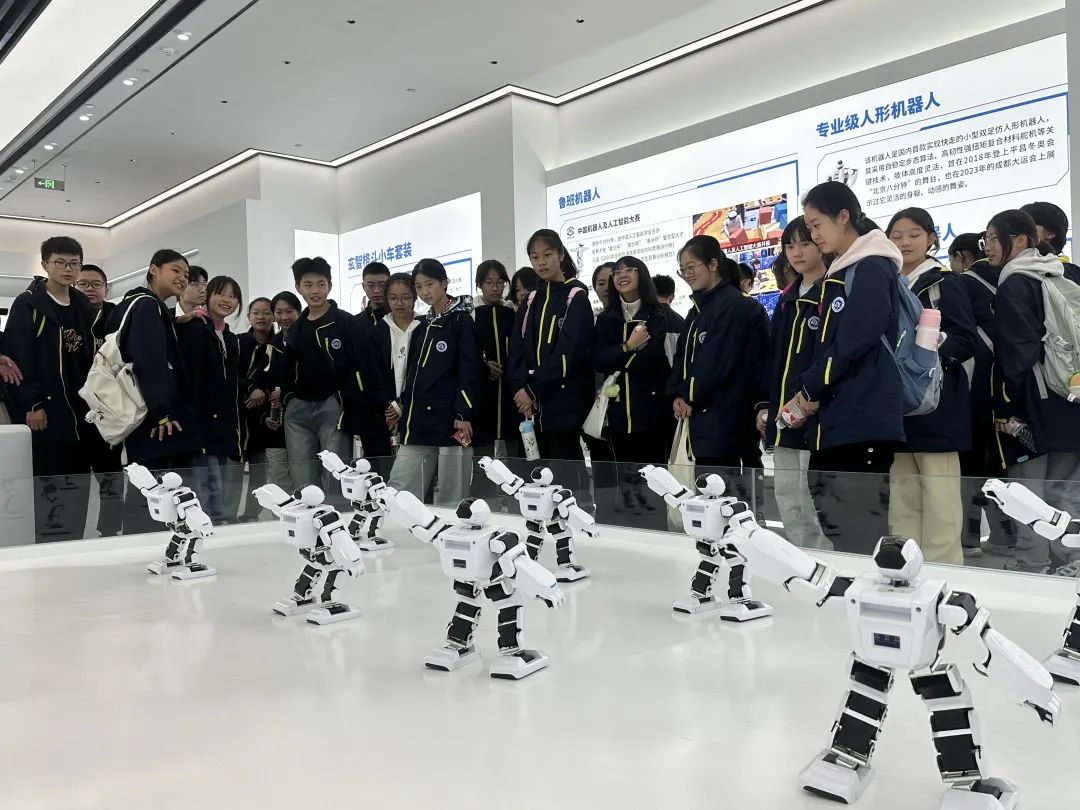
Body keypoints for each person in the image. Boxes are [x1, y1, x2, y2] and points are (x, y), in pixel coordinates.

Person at [787, 182, 905, 553]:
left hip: (862, 417)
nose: (813, 235)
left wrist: (811, 386)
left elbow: (857, 339)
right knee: (839, 523)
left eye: (816, 225)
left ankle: (871, 586)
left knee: (860, 529)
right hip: (837, 418)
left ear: (843, 217)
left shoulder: (871, 265)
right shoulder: (843, 268)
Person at [987, 209, 1080, 575]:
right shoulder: (1063, 273)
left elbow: (1018, 353)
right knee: (1066, 486)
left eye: (993, 237)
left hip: (1035, 401)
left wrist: (1007, 405)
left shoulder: (1015, 282)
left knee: (1028, 492)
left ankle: (1032, 563)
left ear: (1020, 240)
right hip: (1071, 394)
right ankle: (1073, 561)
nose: (988, 246)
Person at [885, 208, 976, 566]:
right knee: (903, 502)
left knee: (941, 505)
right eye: (896, 236)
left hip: (938, 407)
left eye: (914, 234)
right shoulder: (888, 284)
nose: (904, 242)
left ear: (931, 239)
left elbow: (966, 339)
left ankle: (945, 578)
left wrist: (926, 350)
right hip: (899, 409)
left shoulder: (943, 283)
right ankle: (903, 572)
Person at [5, 236, 96, 542]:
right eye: (60, 262)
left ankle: (74, 540)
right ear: (45, 264)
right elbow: (18, 358)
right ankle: (49, 544)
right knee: (49, 481)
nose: (67, 269)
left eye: (74, 263)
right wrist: (32, 404)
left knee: (78, 479)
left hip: (81, 409)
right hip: (46, 408)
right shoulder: (29, 303)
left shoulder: (81, 303)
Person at [104, 249, 199, 533]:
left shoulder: (136, 304)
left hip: (137, 410)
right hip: (152, 415)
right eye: (175, 270)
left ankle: (141, 540)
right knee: (153, 485)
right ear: (153, 269)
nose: (182, 278)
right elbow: (150, 361)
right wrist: (161, 413)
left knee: (144, 481)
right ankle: (145, 541)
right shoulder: (146, 306)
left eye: (186, 274)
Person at [670, 235, 770, 501]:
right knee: (708, 503)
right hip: (703, 422)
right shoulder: (697, 310)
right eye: (683, 270)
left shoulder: (735, 305)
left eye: (692, 267)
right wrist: (677, 393)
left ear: (713, 264)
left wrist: (689, 394)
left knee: (733, 503)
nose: (687, 275)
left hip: (730, 421)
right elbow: (682, 356)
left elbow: (719, 362)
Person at [280, 257, 388, 493]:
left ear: (329, 285)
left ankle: (337, 515)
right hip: (298, 409)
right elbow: (287, 368)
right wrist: (288, 398)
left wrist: (346, 399)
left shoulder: (346, 322)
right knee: (301, 472)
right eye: (308, 285)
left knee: (337, 473)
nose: (315, 291)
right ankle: (307, 514)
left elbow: (361, 366)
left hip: (334, 406)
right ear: (298, 287)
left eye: (321, 284)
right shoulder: (296, 327)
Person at [387, 259, 481, 505]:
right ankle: (403, 526)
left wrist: (463, 413)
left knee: (453, 492)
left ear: (444, 283)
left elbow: (469, 370)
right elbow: (412, 373)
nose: (424, 292)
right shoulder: (422, 325)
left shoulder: (461, 321)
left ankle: (454, 530)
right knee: (400, 487)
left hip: (453, 420)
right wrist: (403, 407)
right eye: (419, 287)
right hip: (418, 420)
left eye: (429, 284)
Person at [509, 230, 595, 499]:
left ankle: (576, 518)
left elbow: (568, 353)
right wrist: (521, 390)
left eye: (547, 255)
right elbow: (516, 348)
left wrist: (533, 390)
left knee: (565, 475)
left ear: (560, 255)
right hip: (531, 408)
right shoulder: (531, 300)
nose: (541, 262)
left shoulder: (576, 297)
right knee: (534, 478)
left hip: (563, 404)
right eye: (535, 257)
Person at [764, 218, 830, 549]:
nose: (797, 252)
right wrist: (766, 405)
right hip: (784, 417)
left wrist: (812, 396)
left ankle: (825, 564)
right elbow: (774, 359)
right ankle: (799, 561)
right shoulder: (786, 299)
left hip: (817, 416)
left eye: (805, 244)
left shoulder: (833, 290)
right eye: (790, 246)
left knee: (815, 499)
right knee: (788, 496)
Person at [594, 255, 674, 520]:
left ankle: (656, 533)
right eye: (617, 272)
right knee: (625, 484)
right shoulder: (607, 318)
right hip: (618, 414)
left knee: (654, 483)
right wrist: (628, 346)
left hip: (652, 412)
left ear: (642, 274)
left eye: (629, 270)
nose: (622, 275)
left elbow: (651, 360)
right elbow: (598, 360)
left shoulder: (657, 314)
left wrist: (618, 355)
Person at [177, 276, 245, 523]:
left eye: (233, 296)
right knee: (205, 488)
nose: (227, 300)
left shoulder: (229, 337)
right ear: (207, 296)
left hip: (223, 424)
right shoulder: (195, 328)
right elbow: (191, 379)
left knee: (219, 486)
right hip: (201, 423)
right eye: (220, 294)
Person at [73, 263, 124, 535]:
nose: (90, 289)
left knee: (111, 474)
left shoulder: (118, 316)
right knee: (76, 477)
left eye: (96, 284)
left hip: (109, 408)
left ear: (106, 289)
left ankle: (109, 529)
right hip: (74, 408)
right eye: (83, 284)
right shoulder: (68, 314)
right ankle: (71, 532)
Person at [237, 297, 290, 520]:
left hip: (268, 415)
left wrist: (265, 393)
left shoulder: (280, 345)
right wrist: (251, 389)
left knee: (262, 467)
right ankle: (231, 514)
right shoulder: (238, 342)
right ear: (248, 316)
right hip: (240, 412)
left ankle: (253, 512)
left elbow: (281, 378)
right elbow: (232, 374)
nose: (261, 317)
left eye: (267, 312)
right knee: (236, 467)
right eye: (256, 312)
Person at [471, 259, 521, 459]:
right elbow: (465, 353)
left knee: (516, 452)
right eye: (489, 282)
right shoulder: (470, 314)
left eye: (500, 282)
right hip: (483, 394)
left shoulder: (512, 313)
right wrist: (483, 366)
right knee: (482, 455)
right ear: (480, 284)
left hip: (511, 393)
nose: (495, 288)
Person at [1020, 201, 1080, 285]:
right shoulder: (1013, 268)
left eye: (1025, 225)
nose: (1017, 231)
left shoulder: (1070, 274)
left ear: (1050, 233)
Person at [355, 261, 390, 331]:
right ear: (363, 287)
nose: (376, 290)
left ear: (390, 285)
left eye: (381, 285)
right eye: (371, 285)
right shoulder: (355, 323)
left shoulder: (399, 318)